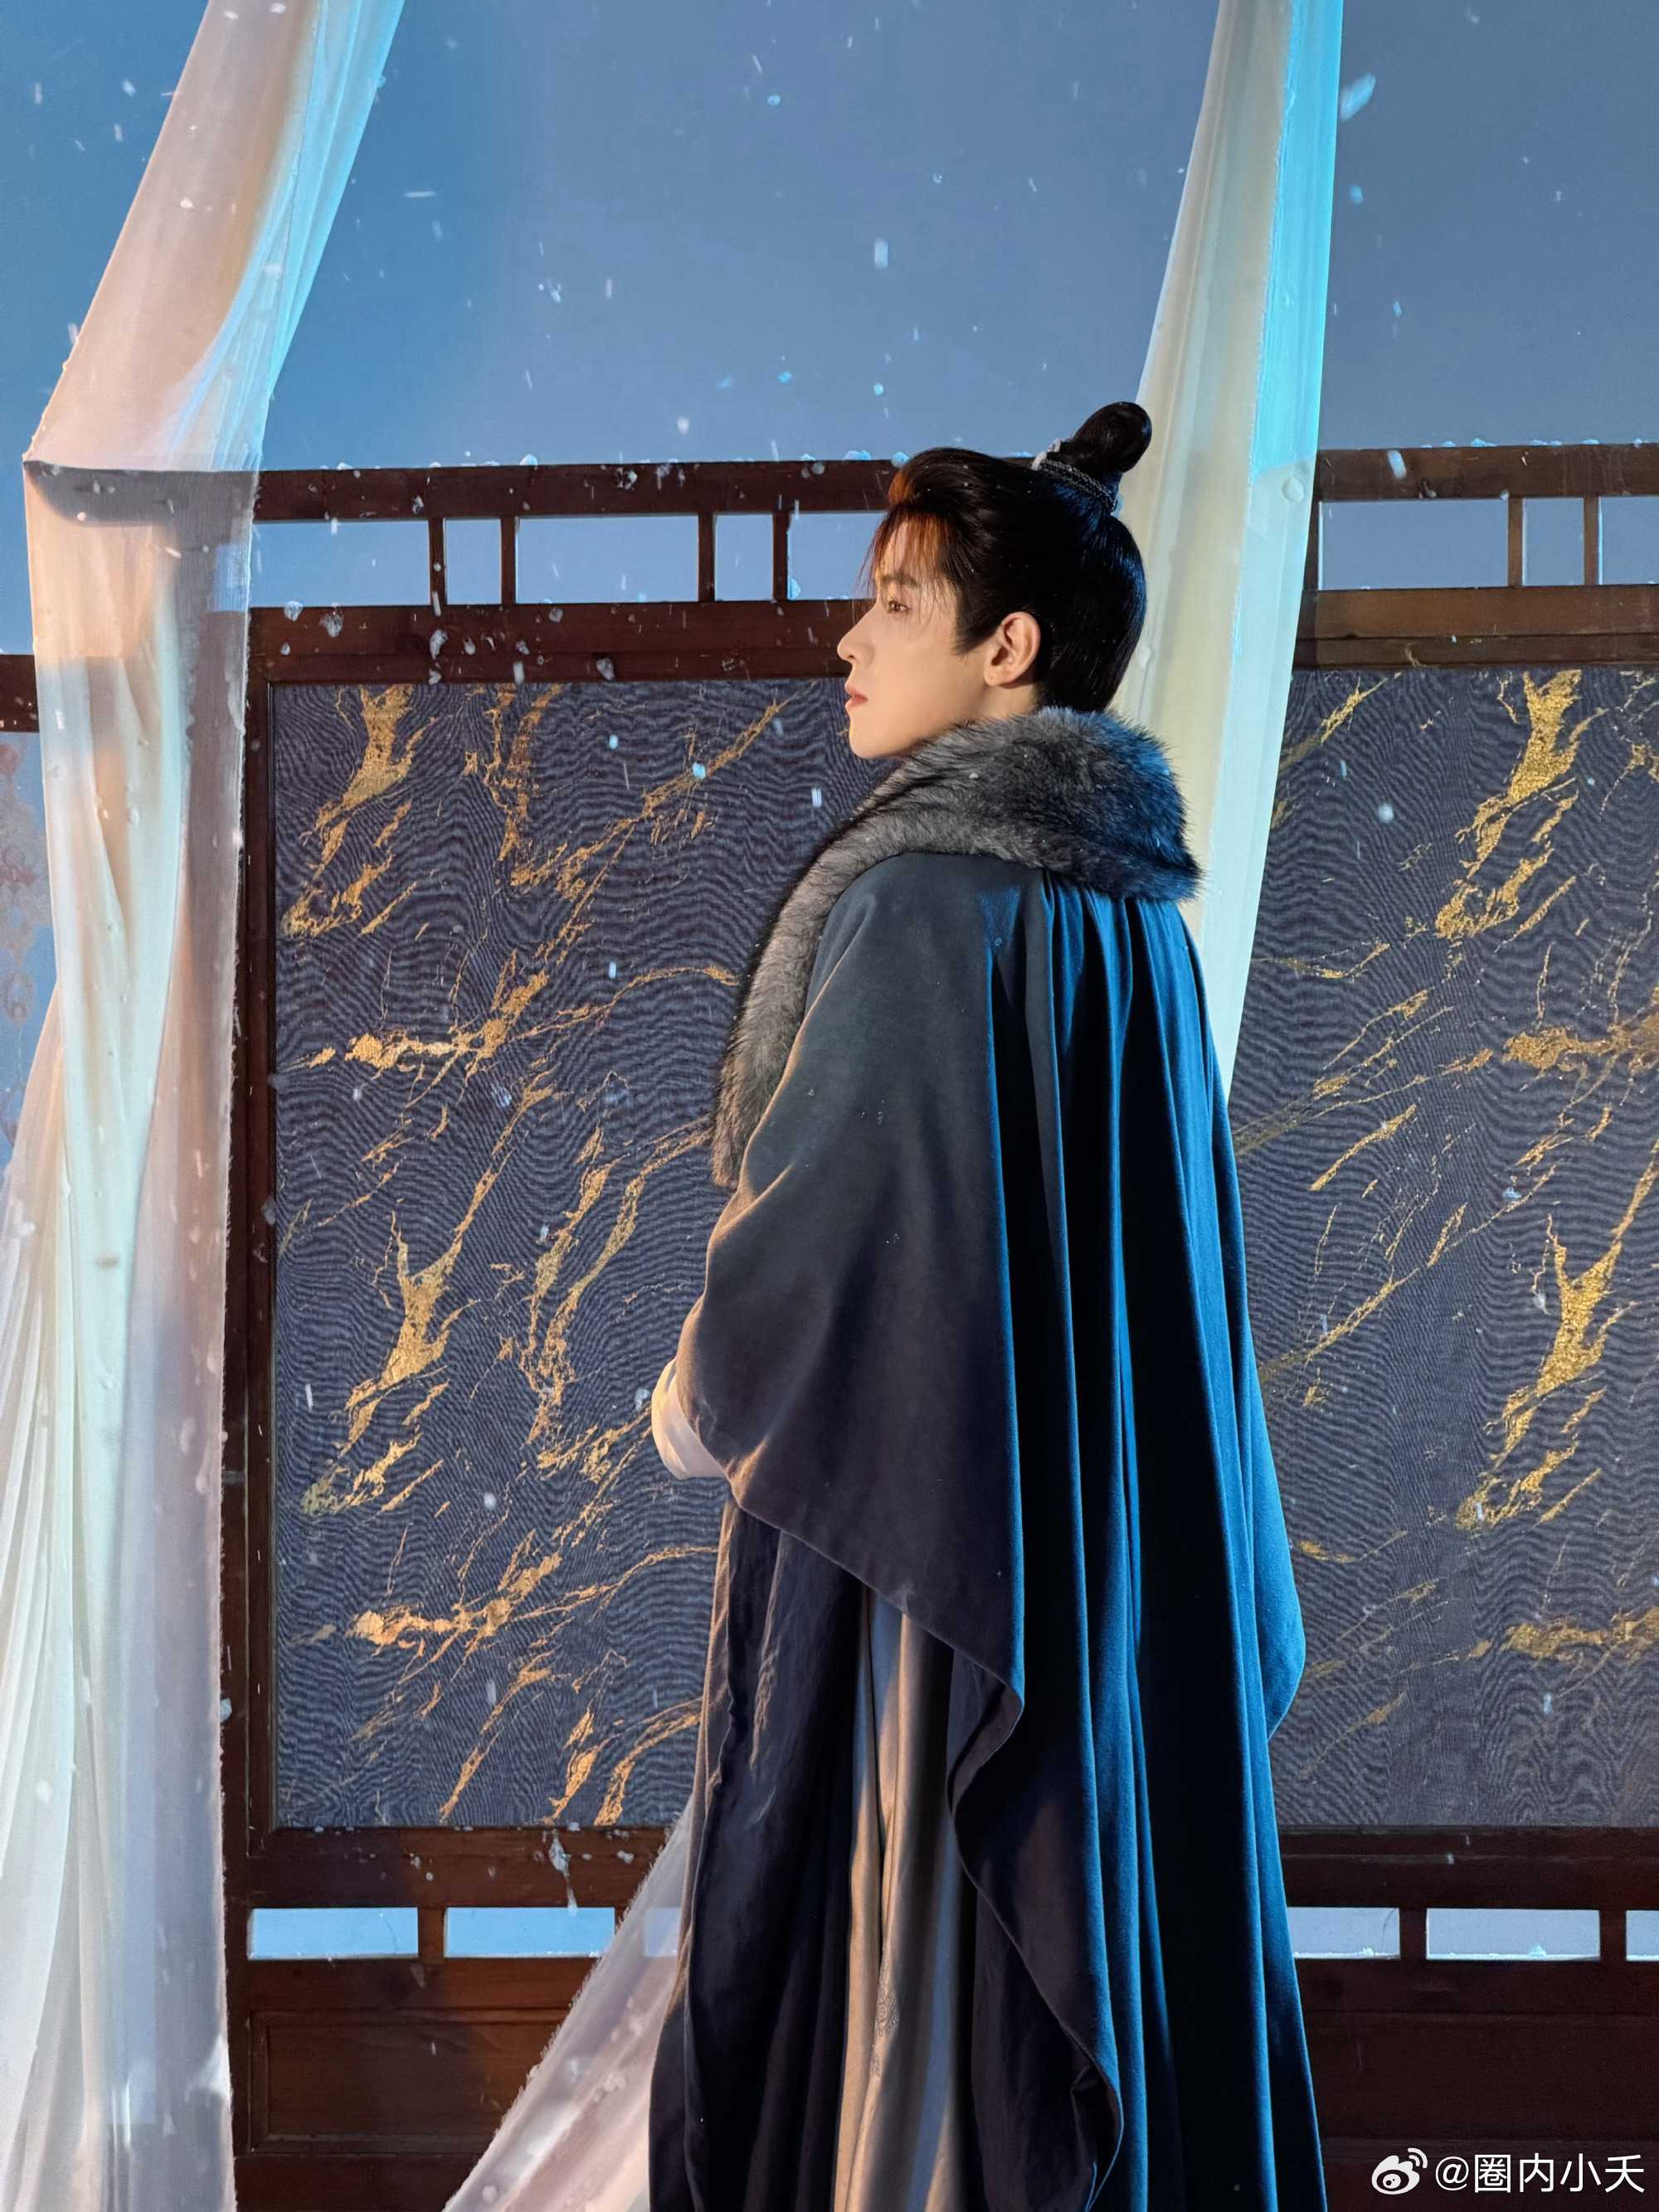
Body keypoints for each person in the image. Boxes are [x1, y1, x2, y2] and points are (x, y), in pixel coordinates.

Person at [645, 404, 1326, 2212]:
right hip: (1097, 1558)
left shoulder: (921, 902)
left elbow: (824, 1238)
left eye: (893, 603)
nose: (847, 640)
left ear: (1006, 645)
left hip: (931, 1560)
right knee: (1078, 1892)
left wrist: (698, 1394)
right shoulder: (1137, 926)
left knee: (914, 1949)